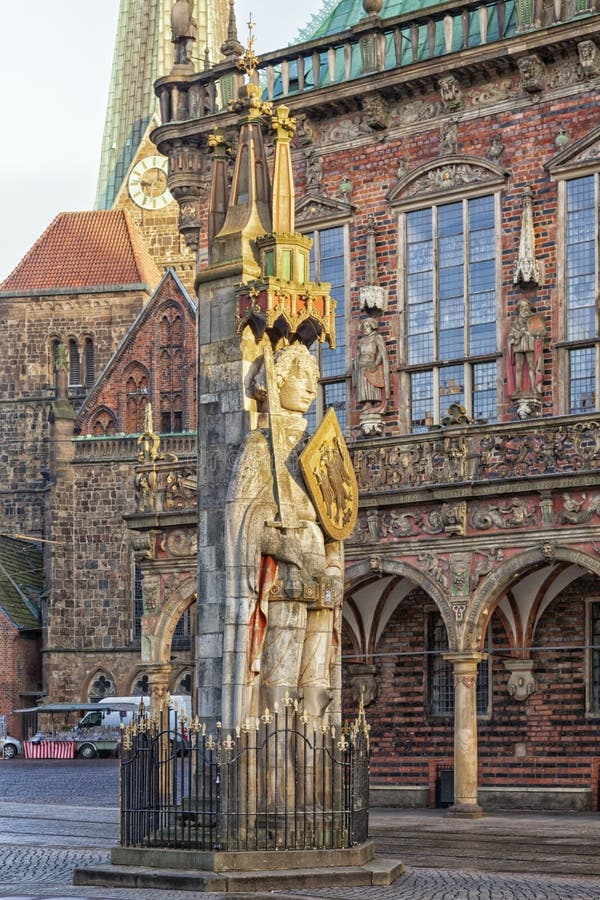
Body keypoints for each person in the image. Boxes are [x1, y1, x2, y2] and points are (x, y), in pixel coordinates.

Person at [224, 343, 343, 729]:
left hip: (321, 574)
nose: (310, 387)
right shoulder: (260, 445)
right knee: (281, 680)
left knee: (317, 682)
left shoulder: (319, 447)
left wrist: (334, 568)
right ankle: (273, 755)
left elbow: (336, 517)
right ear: (277, 382)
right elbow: (240, 518)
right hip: (285, 577)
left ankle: (314, 755)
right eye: (301, 377)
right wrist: (280, 544)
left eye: (314, 379)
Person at [353, 317, 390, 413]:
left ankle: (376, 401)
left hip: (371, 363)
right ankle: (367, 403)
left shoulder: (377, 337)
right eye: (364, 327)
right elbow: (358, 353)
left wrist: (376, 363)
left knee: (372, 383)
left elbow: (381, 352)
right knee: (364, 384)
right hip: (362, 364)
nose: (365, 329)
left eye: (367, 326)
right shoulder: (361, 340)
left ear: (372, 327)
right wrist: (355, 362)